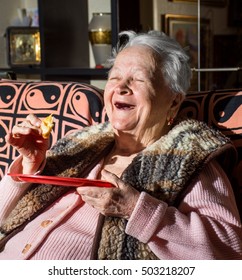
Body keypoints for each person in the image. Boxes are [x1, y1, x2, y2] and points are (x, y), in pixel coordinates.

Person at [0, 30, 241, 260]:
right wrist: (29, 168)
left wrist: (135, 208)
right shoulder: (77, 145)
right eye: (114, 77)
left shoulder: (189, 160)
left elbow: (229, 253)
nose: (121, 87)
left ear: (174, 100)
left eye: (138, 79)